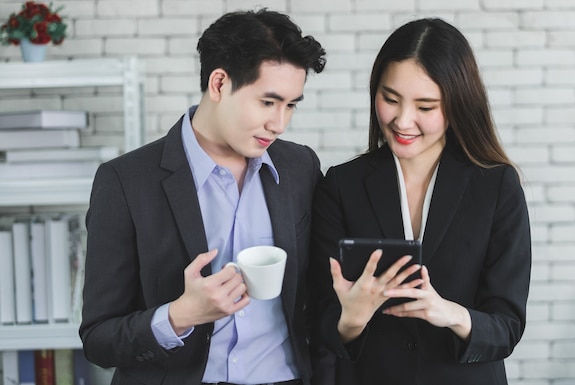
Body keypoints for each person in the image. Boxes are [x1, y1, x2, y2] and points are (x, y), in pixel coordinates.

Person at [79, 9, 326, 385]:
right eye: (267, 102)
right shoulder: (125, 182)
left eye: (290, 105)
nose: (279, 123)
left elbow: (317, 299)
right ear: (219, 83)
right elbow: (99, 339)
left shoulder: (300, 167)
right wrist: (180, 315)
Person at [308, 17, 531, 384]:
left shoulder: (496, 186)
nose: (403, 120)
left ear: (457, 105)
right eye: (390, 99)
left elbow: (507, 326)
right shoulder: (341, 184)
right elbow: (320, 321)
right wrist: (352, 318)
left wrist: (451, 313)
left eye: (425, 107)